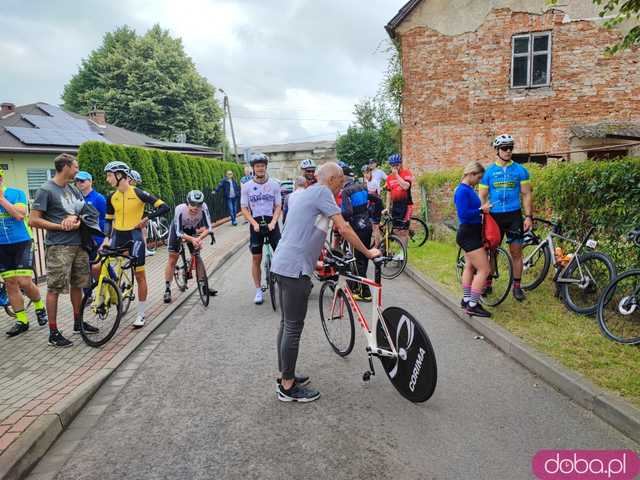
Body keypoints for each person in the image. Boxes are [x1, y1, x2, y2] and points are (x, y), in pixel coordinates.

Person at [271, 162, 381, 402]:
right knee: (292, 327)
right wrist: (368, 251)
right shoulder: (323, 192)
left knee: (286, 323)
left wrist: (320, 259)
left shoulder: (303, 194)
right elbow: (343, 226)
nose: (342, 187)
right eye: (341, 182)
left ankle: (285, 375)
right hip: (293, 269)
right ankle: (287, 387)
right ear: (332, 179)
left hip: (284, 263)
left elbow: (306, 231)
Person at [29, 154, 96, 347]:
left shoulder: (73, 189)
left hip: (78, 245)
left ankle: (78, 322)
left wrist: (76, 220)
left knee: (78, 284)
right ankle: (53, 332)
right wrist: (61, 226)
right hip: (59, 246)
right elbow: (33, 220)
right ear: (65, 167)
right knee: (55, 289)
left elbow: (82, 212)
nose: (77, 170)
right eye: (75, 167)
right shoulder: (46, 190)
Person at [102, 161, 169, 327]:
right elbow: (108, 221)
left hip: (135, 237)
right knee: (106, 265)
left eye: (109, 175)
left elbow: (164, 207)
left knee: (139, 275)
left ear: (120, 175)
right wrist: (105, 238)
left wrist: (147, 218)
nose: (107, 179)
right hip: (118, 236)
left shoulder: (138, 193)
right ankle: (114, 293)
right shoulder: (111, 197)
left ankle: (141, 314)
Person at [479, 134, 533, 302]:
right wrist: (483, 212)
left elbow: (526, 195)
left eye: (510, 147)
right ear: (497, 150)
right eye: (504, 148)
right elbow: (482, 195)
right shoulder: (489, 172)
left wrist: (529, 216)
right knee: (491, 251)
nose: (508, 151)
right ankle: (487, 282)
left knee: (516, 252)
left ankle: (517, 287)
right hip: (494, 217)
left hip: (514, 216)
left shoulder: (520, 170)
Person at [1, 169, 48, 337]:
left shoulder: (16, 193)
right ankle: (22, 320)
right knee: (10, 283)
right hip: (2, 246)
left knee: (23, 281)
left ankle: (39, 305)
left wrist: (0, 199)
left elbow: (20, 215)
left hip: (22, 242)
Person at [240, 152, 282, 305]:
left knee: (280, 254)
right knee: (256, 258)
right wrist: (253, 223)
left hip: (271, 221)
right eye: (257, 166)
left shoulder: (274, 185)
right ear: (253, 168)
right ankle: (258, 290)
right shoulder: (247, 187)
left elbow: (278, 206)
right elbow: (244, 208)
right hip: (256, 223)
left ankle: (282, 283)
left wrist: (274, 222)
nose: (260, 168)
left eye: (262, 166)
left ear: (266, 167)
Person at [454, 161, 492, 318]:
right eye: (478, 177)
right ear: (470, 174)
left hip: (469, 232)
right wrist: (481, 210)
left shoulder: (466, 189)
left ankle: (466, 299)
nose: (479, 181)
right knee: (484, 270)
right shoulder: (462, 191)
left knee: (470, 266)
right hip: (469, 232)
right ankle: (473, 305)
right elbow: (463, 214)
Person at [163, 190, 215, 303]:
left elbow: (208, 228)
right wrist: (193, 239)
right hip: (178, 230)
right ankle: (167, 289)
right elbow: (178, 232)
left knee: (197, 255)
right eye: (193, 204)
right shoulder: (180, 209)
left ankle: (203, 286)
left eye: (199, 204)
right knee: (173, 258)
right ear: (187, 202)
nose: (196, 207)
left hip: (191, 229)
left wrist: (199, 239)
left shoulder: (204, 207)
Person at [341, 164, 382, 301]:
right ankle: (358, 288)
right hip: (367, 225)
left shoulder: (346, 191)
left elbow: (347, 212)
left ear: (343, 177)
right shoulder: (362, 186)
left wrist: (340, 216)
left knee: (357, 259)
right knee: (363, 259)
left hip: (356, 228)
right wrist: (375, 218)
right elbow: (378, 200)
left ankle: (364, 292)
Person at [74, 171, 106, 284]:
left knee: (98, 265)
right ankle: (88, 295)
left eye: (82, 180)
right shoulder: (77, 198)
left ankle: (114, 282)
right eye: (77, 181)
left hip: (97, 239)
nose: (79, 183)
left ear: (90, 181)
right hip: (82, 239)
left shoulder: (99, 198)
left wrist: (104, 237)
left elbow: (106, 218)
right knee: (84, 268)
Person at [385, 153, 413, 245]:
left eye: (396, 165)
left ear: (400, 164)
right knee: (396, 230)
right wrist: (387, 208)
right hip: (396, 206)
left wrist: (396, 175)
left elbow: (406, 186)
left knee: (403, 231)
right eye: (392, 165)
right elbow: (388, 193)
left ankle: (403, 254)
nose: (395, 167)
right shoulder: (389, 178)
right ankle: (401, 248)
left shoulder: (406, 173)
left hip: (406, 205)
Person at [363, 164, 383, 247]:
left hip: (376, 205)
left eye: (367, 173)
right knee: (374, 225)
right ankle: (382, 239)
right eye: (364, 173)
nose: (366, 175)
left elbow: (377, 195)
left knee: (375, 227)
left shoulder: (374, 182)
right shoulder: (366, 181)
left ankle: (377, 247)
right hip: (370, 205)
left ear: (371, 173)